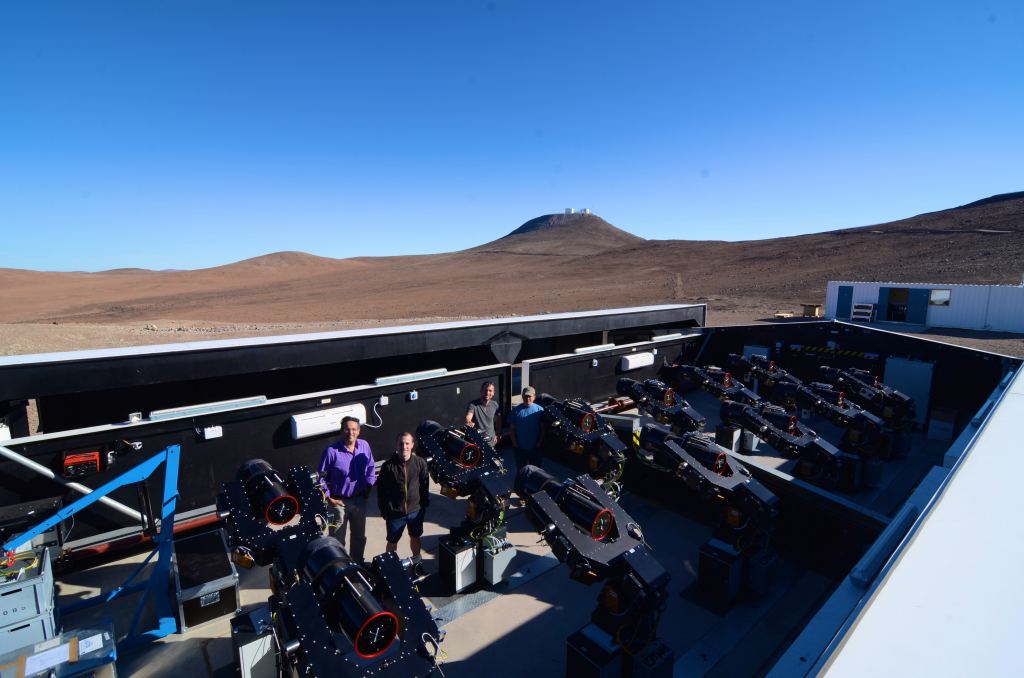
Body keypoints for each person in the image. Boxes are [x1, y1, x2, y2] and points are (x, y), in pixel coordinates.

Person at [318, 416, 376, 564]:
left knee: (359, 537)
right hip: (338, 503)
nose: (350, 432)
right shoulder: (331, 452)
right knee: (337, 539)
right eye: (347, 429)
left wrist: (369, 488)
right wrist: (329, 498)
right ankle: (340, 566)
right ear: (341, 431)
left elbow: (370, 468)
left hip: (359, 500)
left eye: (354, 429)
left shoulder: (364, 446)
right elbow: (321, 478)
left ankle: (357, 563)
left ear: (359, 431)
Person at [377, 432, 430, 568]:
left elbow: (424, 486)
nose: (404, 446)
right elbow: (381, 491)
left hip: (415, 511)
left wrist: (423, 505)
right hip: (395, 514)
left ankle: (417, 563)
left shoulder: (420, 463)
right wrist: (385, 510)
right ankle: (390, 566)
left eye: (407, 443)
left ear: (412, 445)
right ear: (396, 445)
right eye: (401, 443)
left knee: (415, 537)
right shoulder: (387, 467)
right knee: (392, 541)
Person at [509, 386, 546, 471]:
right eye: (525, 396)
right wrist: (515, 444)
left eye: (529, 396)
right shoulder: (516, 411)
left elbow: (542, 429)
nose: (527, 398)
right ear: (522, 396)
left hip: (535, 448)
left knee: (536, 471)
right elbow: (511, 429)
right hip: (520, 449)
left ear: (534, 397)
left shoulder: (540, 410)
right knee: (522, 471)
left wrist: (539, 443)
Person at [466, 381, 501, 446]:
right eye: (485, 390)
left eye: (490, 391)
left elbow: (499, 419)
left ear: (493, 393)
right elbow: (468, 416)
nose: (487, 392)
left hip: (492, 441)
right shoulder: (473, 404)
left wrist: (498, 433)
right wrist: (469, 422)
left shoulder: (495, 405)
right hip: (478, 442)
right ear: (481, 391)